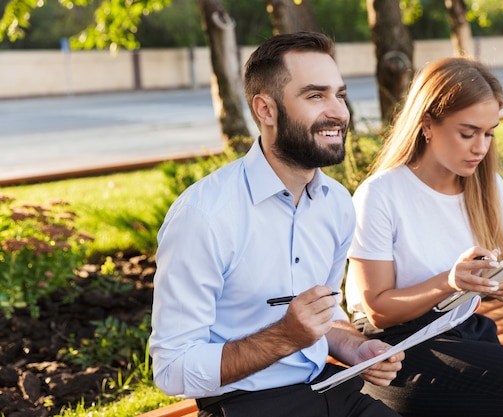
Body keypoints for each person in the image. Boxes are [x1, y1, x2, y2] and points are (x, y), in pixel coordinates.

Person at [148, 32, 404, 417]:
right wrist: (285, 337)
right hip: (244, 405)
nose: (338, 111)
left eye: (340, 94)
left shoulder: (336, 204)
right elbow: (171, 371)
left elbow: (327, 315)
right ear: (265, 110)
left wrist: (355, 348)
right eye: (316, 96)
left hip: (326, 389)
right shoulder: (204, 216)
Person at [345, 56, 503, 417]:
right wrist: (449, 282)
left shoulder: (488, 188)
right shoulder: (381, 194)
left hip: (465, 331)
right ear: (427, 125)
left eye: (489, 132)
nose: (481, 147)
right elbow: (379, 311)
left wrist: (500, 286)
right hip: (396, 351)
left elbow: (481, 283)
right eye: (468, 133)